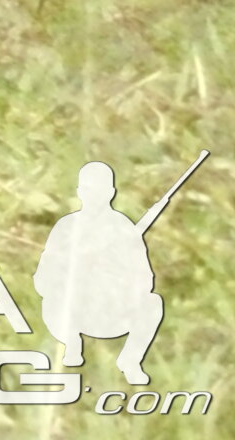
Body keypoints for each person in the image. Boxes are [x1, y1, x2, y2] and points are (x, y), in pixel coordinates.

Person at [36, 161, 166, 385]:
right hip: (75, 312)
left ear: (111, 193)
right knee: (56, 300)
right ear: (79, 192)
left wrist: (116, 275)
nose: (93, 196)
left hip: (113, 312)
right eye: (88, 189)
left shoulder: (124, 229)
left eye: (100, 190)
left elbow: (145, 279)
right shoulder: (66, 227)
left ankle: (131, 360)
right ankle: (72, 344)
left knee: (152, 303)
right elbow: (43, 278)